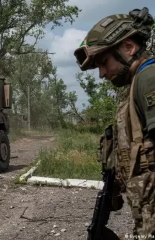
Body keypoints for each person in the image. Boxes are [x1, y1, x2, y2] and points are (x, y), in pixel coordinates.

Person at [73, 7, 155, 237]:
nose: (101, 73)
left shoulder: (149, 78)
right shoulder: (138, 83)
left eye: (103, 62)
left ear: (128, 48)